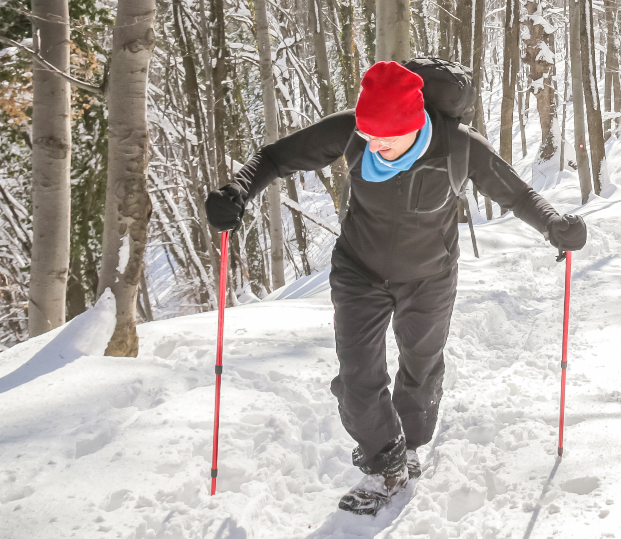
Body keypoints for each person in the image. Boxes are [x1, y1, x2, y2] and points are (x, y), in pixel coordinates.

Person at [206, 60, 586, 513]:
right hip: (358, 271)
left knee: (421, 369)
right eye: (370, 138)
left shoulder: (460, 147)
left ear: (416, 124)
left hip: (430, 276)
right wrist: (237, 191)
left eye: (388, 138)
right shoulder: (352, 130)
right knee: (356, 376)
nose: (376, 147)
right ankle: (384, 464)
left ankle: (409, 448)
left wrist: (555, 227)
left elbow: (519, 195)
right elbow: (275, 158)